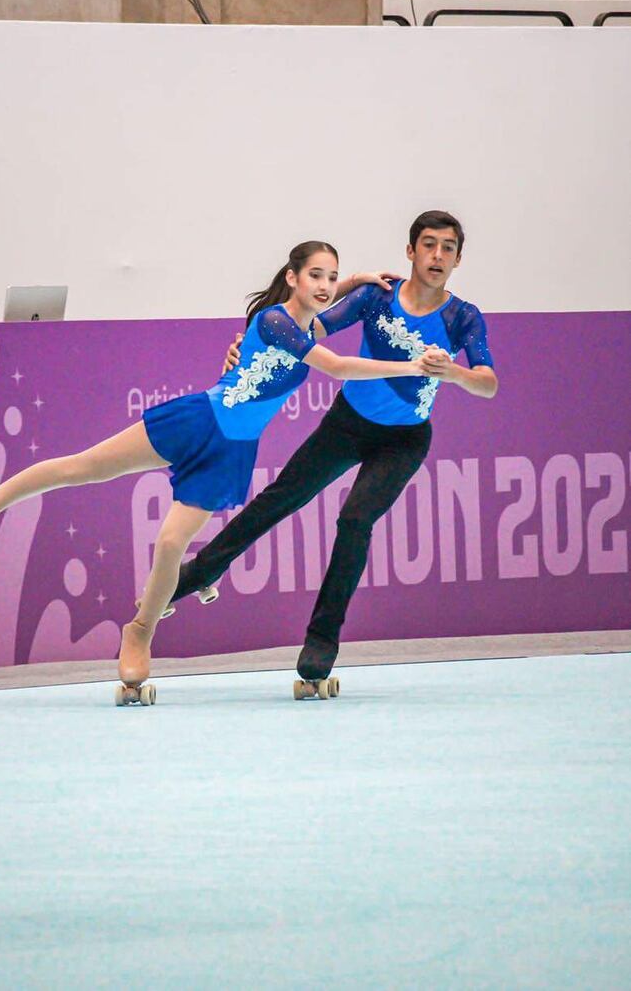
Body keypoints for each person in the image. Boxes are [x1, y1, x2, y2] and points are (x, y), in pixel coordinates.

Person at [0, 241, 434, 699]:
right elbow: (338, 366)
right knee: (82, 467)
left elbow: (328, 313)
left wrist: (357, 280)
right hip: (198, 419)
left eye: (329, 275)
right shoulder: (273, 320)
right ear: (291, 278)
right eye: (313, 275)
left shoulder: (311, 322)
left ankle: (139, 630)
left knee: (169, 545)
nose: (323, 285)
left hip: (231, 451)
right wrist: (413, 366)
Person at [169, 211, 499, 687]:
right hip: (348, 424)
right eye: (428, 245)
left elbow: (488, 383)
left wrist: (456, 374)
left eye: (448, 248)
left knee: (355, 519)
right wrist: (252, 345)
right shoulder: (375, 298)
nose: (437, 255)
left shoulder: (463, 316)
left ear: (458, 259)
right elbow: (306, 330)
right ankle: (201, 571)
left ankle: (322, 639)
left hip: (404, 440)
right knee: (284, 495)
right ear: (410, 252)